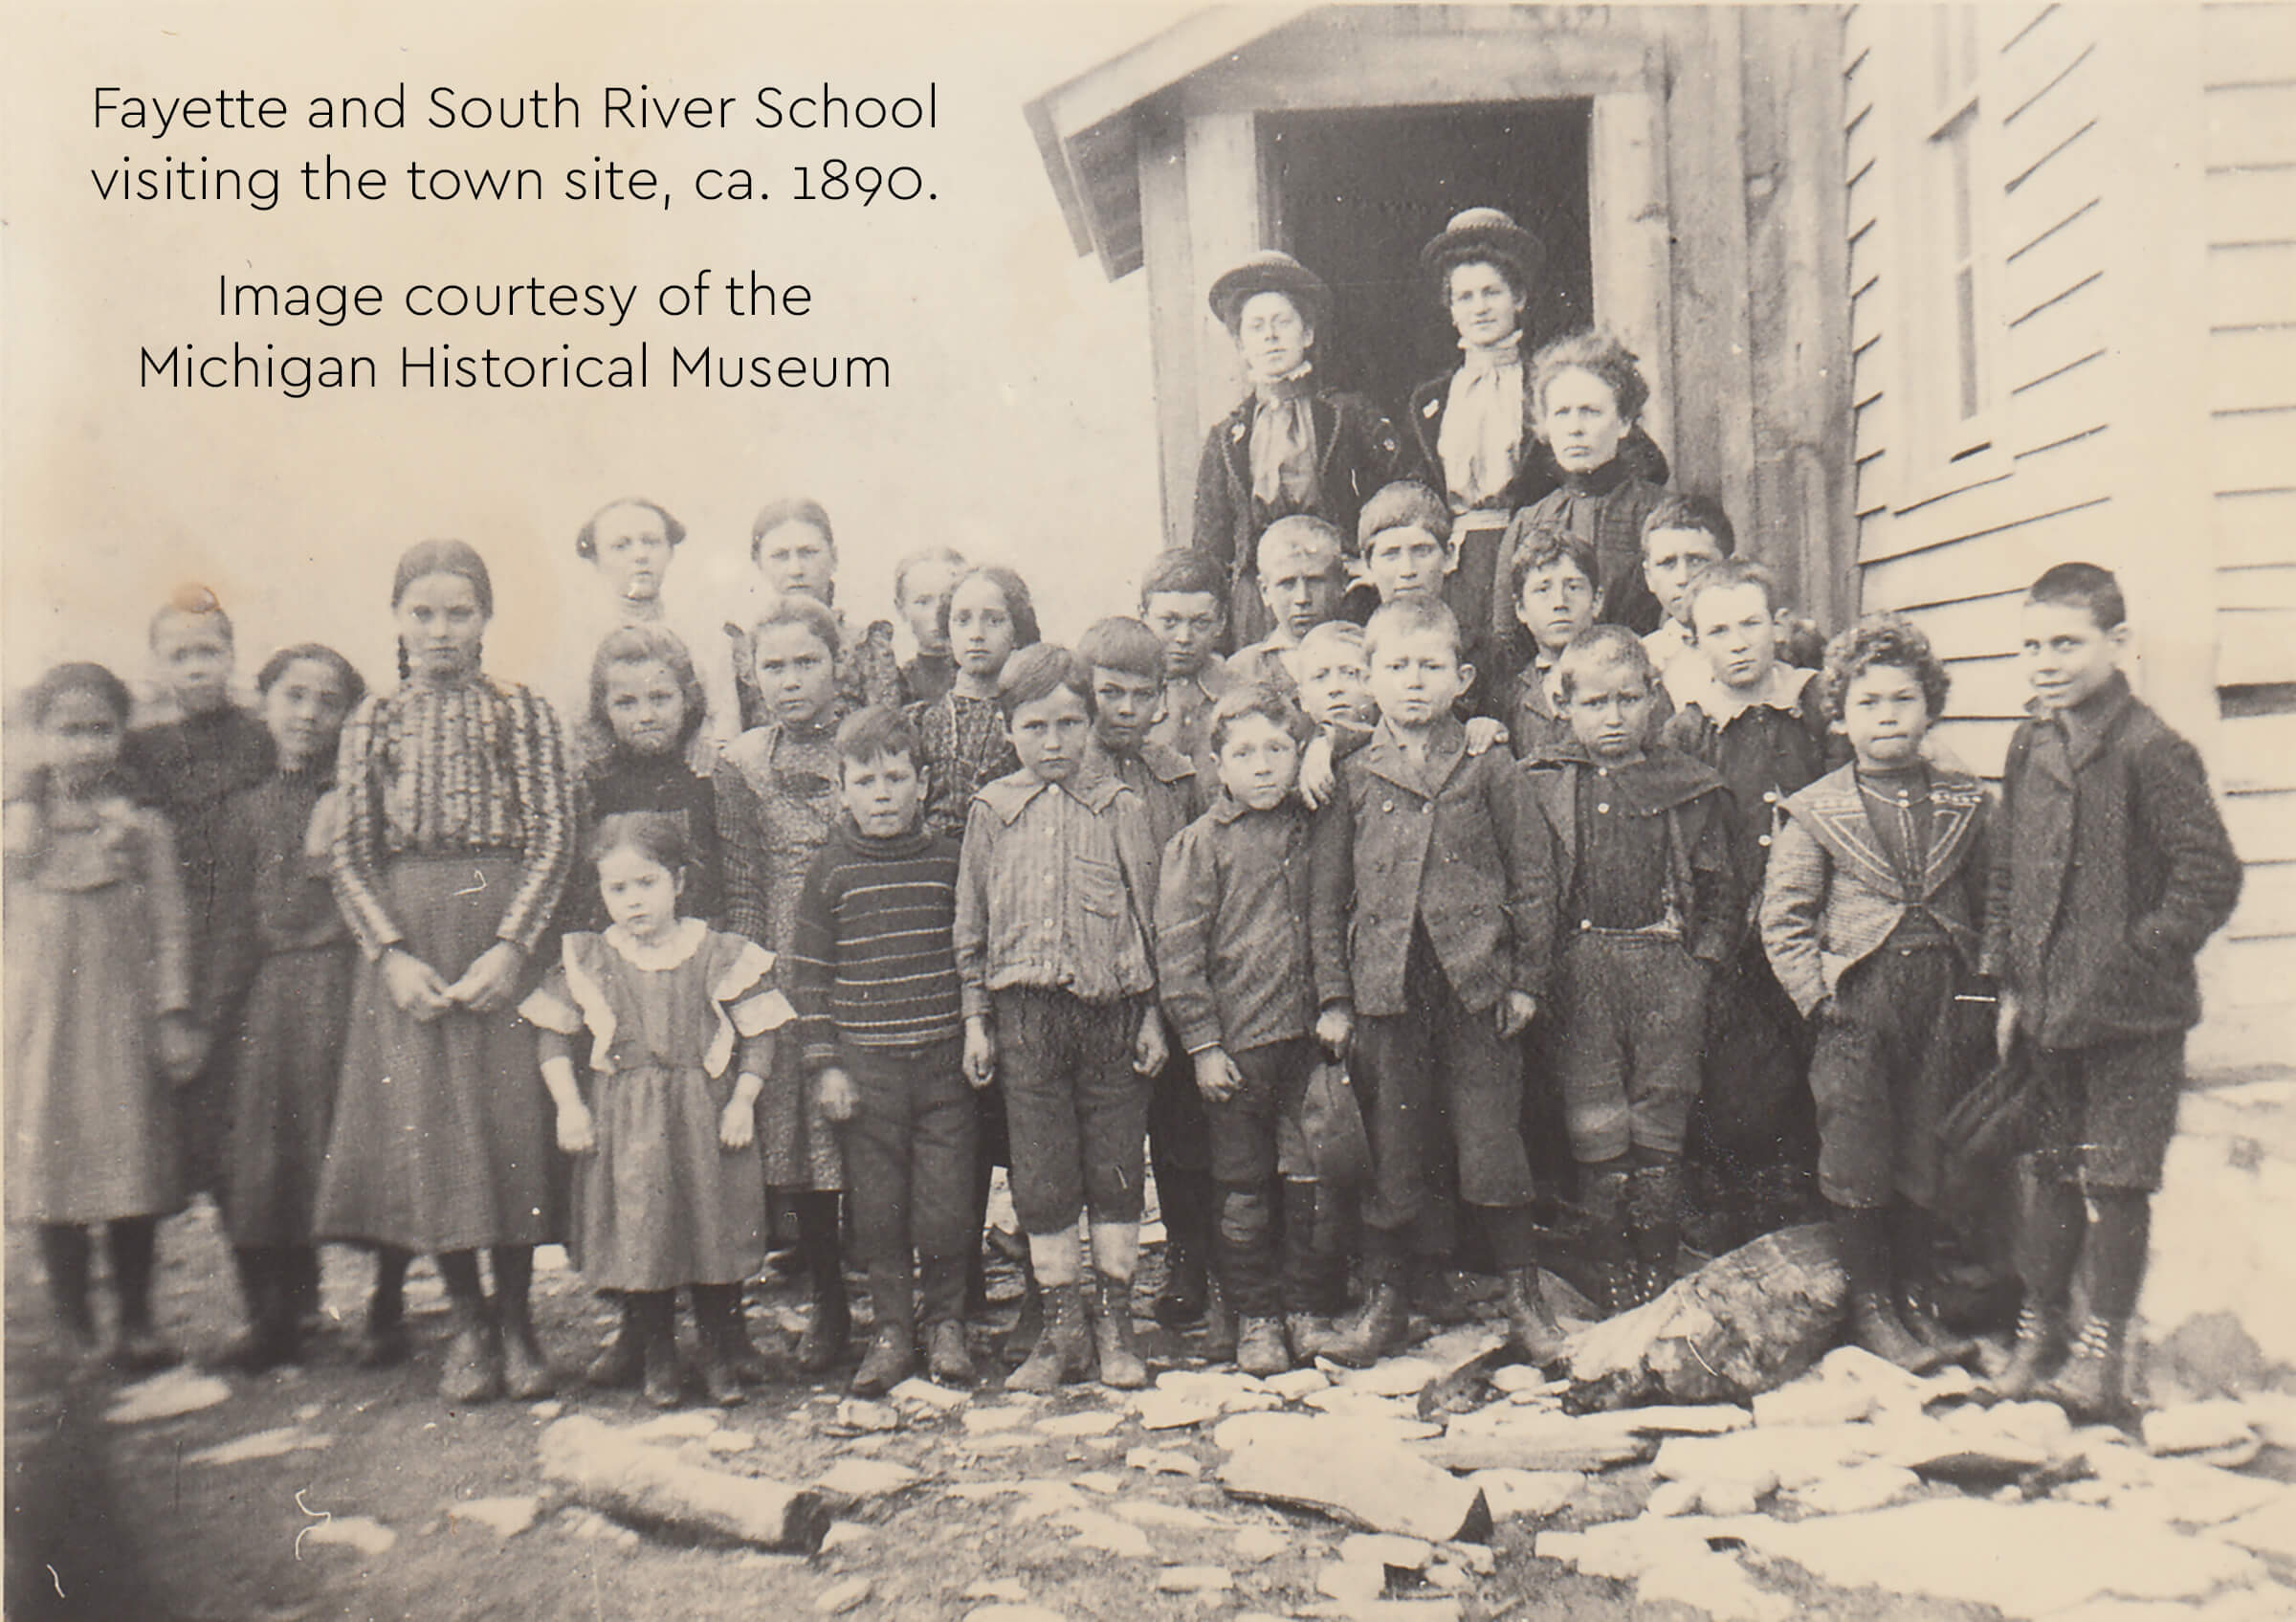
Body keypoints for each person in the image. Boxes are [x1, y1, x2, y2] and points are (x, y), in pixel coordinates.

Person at [318, 540, 575, 1403]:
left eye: (457, 612)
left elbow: (555, 837)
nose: (439, 630)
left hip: (500, 927)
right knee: (437, 1139)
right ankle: (468, 1323)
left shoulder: (523, 712)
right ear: (397, 618)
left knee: (509, 1132)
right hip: (413, 938)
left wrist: (513, 945)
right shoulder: (372, 720)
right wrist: (389, 955)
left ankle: (519, 1320)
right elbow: (349, 855)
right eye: (421, 613)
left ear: (486, 618)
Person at [1985, 565, 2241, 1420]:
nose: (2045, 661)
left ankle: (2107, 1356)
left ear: (2118, 644)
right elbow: (2008, 870)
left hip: (2133, 1017)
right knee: (2055, 1173)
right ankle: (2039, 1333)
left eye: (2067, 642)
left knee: (2119, 1181)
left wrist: (2137, 956)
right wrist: (2009, 978)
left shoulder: (2151, 748)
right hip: (2050, 1008)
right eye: (2032, 644)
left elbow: (2209, 876)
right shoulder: (2032, 742)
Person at [1308, 597, 1564, 1367]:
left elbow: (1533, 876)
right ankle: (1386, 1300)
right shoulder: (1351, 771)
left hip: (1475, 986)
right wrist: (1333, 997)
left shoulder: (1489, 762)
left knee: (1491, 1140)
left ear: (1462, 678)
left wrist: (1526, 980)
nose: (1412, 682)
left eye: (1428, 667)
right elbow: (1325, 897)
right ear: (1371, 678)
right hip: (1387, 987)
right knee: (1394, 1144)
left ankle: (1525, 1301)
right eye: (1394, 667)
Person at [1762, 615, 1995, 1371]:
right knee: (1858, 1147)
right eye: (1868, 703)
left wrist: (1985, 991)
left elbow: (1995, 904)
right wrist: (1821, 1002)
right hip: (1857, 1009)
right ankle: (1872, 1307)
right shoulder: (1816, 810)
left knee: (1929, 1144)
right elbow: (1785, 920)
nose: (1887, 716)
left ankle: (1919, 1297)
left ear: (1931, 708)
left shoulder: (1964, 803)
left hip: (1947, 1005)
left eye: (1903, 699)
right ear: (1840, 715)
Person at [525, 812, 791, 1409]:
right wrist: (570, 1106)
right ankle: (657, 1353)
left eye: (647, 884)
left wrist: (744, 1099)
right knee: (643, 1231)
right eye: (617, 889)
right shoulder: (591, 958)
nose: (633, 902)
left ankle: (720, 1353)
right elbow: (551, 1035)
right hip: (627, 1120)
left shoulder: (717, 951)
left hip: (704, 1111)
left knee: (711, 1224)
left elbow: (762, 1030)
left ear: (678, 881)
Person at [955, 645, 1167, 1391]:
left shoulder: (1122, 809)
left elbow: (1152, 921)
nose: (1054, 742)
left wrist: (1152, 1018)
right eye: (1035, 725)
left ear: (1092, 724)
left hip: (1111, 1016)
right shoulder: (991, 813)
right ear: (1007, 727)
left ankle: (1117, 1323)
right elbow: (971, 930)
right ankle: (1060, 1327)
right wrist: (978, 1019)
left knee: (1113, 1170)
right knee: (1042, 1177)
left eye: (1070, 724)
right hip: (1024, 1020)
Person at [1523, 627, 1738, 1314]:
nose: (1612, 718)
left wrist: (1700, 966)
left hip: (1665, 965)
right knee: (1594, 1114)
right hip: (1580, 970)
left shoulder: (1688, 785)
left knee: (1661, 1110)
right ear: (1564, 704)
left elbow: (1721, 890)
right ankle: (1608, 1259)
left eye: (1627, 700)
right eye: (1593, 703)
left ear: (1654, 699)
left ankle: (1656, 1258)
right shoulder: (1542, 781)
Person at [6, 662, 202, 1368]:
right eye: (69, 730)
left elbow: (174, 920)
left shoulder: (142, 825)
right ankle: (73, 1323)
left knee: (131, 1168)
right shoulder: (16, 829)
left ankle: (138, 1318)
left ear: (121, 733)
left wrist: (175, 1010)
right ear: (39, 736)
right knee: (50, 1171)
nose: (86, 745)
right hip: (40, 1024)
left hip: (122, 1018)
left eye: (100, 729)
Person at [785, 708, 977, 1393]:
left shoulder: (952, 860)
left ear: (923, 783)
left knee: (946, 1199)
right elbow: (808, 973)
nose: (882, 793)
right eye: (865, 781)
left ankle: (946, 1321)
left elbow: (972, 954)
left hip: (943, 1060)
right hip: (867, 1069)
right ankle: (892, 1329)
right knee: (877, 1207)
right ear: (842, 791)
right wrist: (826, 1064)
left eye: (897, 777)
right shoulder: (830, 872)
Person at [1662, 560, 1838, 1247]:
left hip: (1810, 921)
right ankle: (1738, 1208)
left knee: (1810, 1059)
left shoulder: (1813, 707)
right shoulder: (1690, 725)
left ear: (1778, 626)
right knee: (1736, 1070)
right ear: (1695, 638)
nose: (1737, 642)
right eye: (1719, 630)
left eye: (1751, 624)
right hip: (1729, 927)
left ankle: (1810, 1207)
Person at [1157, 685, 1330, 1375]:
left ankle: (1304, 1307)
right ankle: (1252, 1311)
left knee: (1308, 1177)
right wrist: (1201, 1042)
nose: (1262, 766)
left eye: (1278, 749)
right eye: (1244, 752)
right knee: (1241, 1185)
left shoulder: (1316, 826)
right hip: (1237, 1049)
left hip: (1309, 1044)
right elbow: (1179, 953)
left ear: (1299, 756)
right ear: (1217, 764)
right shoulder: (1199, 846)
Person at [1405, 210, 1667, 660]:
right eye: (1465, 297)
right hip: (1460, 567)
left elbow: (1639, 461)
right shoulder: (1431, 400)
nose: (1480, 307)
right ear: (1451, 310)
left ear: (1519, 298)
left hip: (1541, 546)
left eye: (1492, 292)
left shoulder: (1553, 382)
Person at [207, 644, 365, 1370]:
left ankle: (386, 1306)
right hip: (273, 996)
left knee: (363, 1138)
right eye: (293, 696)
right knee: (265, 1151)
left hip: (349, 983)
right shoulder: (244, 807)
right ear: (264, 704)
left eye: (327, 700)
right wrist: (215, 1015)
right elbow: (233, 920)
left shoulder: (360, 798)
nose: (308, 714)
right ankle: (277, 1313)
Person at [718, 593, 853, 1374]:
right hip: (789, 954)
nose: (792, 680)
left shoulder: (868, 742)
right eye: (775, 666)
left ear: (838, 666)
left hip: (867, 942)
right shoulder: (740, 764)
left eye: (808, 662)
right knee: (805, 1137)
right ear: (751, 671)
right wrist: (757, 982)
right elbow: (740, 880)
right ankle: (830, 1299)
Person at [1077, 617, 1217, 1343]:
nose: (1125, 709)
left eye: (1142, 694)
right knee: (1105, 1139)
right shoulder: (1071, 773)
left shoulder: (1178, 775)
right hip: (1099, 981)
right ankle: (1092, 1290)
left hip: (1166, 975)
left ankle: (1189, 1263)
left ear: (1164, 698)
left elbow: (1193, 880)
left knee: (1181, 1131)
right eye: (1110, 693)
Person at [121, 589, 276, 1201]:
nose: (195, 667)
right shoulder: (142, 747)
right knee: (190, 1122)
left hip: (248, 938)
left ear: (232, 656)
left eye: (208, 651)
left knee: (253, 1125)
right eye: (178, 654)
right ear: (157, 664)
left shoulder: (258, 738)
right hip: (180, 938)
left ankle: (276, 1283)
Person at [1191, 251, 1409, 649]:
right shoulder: (1227, 437)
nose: (1270, 336)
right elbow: (1209, 544)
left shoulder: (1346, 415)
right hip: (1259, 603)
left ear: (1306, 334)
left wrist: (1374, 561)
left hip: (1335, 591)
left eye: (1282, 322)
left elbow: (1404, 491)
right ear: (1241, 344)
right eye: (1256, 327)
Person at [1492, 330, 1673, 659]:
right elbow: (1507, 638)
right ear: (1545, 427)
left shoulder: (1659, 514)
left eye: (1590, 411)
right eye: (1562, 413)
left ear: (1623, 424)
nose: (1575, 427)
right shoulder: (1526, 523)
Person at [559, 497, 741, 773]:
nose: (640, 555)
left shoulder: (705, 638)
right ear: (597, 559)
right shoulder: (577, 646)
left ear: (670, 551)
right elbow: (570, 734)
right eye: (621, 546)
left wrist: (709, 739)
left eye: (651, 542)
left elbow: (726, 724)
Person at [578, 625, 725, 931]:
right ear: (604, 709)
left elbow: (738, 886)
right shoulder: (591, 787)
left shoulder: (709, 777)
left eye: (659, 698)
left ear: (686, 699)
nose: (645, 716)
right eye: (626, 703)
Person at [736, 497, 900, 726]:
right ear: (759, 563)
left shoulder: (866, 645)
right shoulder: (744, 651)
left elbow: (885, 735)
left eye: (808, 553)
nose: (796, 569)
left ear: (834, 557)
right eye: (780, 556)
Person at [914, 565, 1037, 841]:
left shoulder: (1030, 717)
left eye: (993, 620)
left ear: (1017, 631)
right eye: (963, 620)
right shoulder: (923, 721)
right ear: (947, 630)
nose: (977, 634)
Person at [1502, 522, 1604, 762]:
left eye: (1573, 586)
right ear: (1521, 609)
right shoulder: (1511, 695)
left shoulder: (1627, 677)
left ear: (1597, 600)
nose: (1560, 602)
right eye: (1543, 589)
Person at [1140, 550, 1234, 783]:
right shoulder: (1124, 696)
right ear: (1143, 616)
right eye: (1169, 622)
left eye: (1200, 623)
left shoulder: (1241, 691)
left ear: (1221, 622)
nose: (1183, 637)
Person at [1226, 517, 1347, 695]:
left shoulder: (1365, 655)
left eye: (1315, 581)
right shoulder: (1243, 670)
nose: (1302, 598)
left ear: (1342, 583)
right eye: (1287, 584)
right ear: (1265, 591)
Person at [1636, 496, 1737, 702]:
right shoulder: (1644, 658)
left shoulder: (1764, 643)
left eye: (1697, 561)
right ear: (1649, 577)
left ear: (1731, 566)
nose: (1683, 578)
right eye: (1667, 563)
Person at [894, 544, 968, 706]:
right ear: (901, 608)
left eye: (948, 600)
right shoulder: (897, 684)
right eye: (923, 602)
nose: (937, 614)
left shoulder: (986, 674)